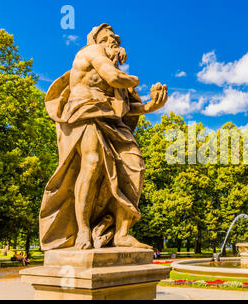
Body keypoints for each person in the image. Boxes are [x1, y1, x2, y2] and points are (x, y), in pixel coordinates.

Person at [39, 24, 168, 250]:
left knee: (134, 165)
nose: (113, 41)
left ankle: (122, 233)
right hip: (86, 113)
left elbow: (128, 108)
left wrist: (151, 105)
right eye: (107, 38)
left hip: (112, 121)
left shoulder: (114, 69)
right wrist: (135, 79)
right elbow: (114, 77)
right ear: (96, 41)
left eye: (115, 39)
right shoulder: (91, 53)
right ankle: (83, 231)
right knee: (92, 164)